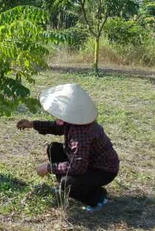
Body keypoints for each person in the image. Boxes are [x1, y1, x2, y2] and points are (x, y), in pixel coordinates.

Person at [16, 83, 120, 211]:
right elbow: (56, 127)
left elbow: (77, 166)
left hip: (103, 170)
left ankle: (97, 197)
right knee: (53, 148)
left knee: (68, 183)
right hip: (87, 162)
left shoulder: (80, 132)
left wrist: (49, 168)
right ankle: (66, 187)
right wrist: (32, 124)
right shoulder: (74, 120)